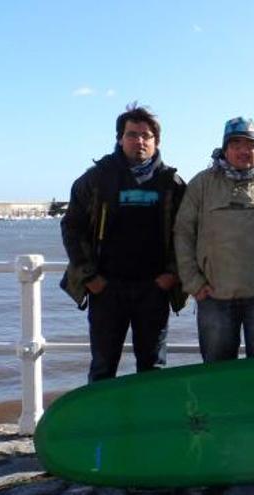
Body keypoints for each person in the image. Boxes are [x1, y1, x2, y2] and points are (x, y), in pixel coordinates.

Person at [60, 103, 187, 382]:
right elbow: (72, 227)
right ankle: (101, 424)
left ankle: (149, 425)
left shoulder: (172, 184)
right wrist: (90, 277)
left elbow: (188, 234)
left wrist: (172, 275)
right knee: (103, 367)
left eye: (146, 135)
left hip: (154, 289)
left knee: (153, 369)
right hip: (106, 289)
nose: (139, 141)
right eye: (132, 134)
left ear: (156, 141)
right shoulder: (96, 179)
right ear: (120, 138)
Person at [174, 117, 254, 362]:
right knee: (218, 377)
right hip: (213, 298)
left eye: (251, 145)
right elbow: (183, 234)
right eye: (236, 144)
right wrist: (193, 282)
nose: (244, 150)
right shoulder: (202, 184)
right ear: (225, 149)